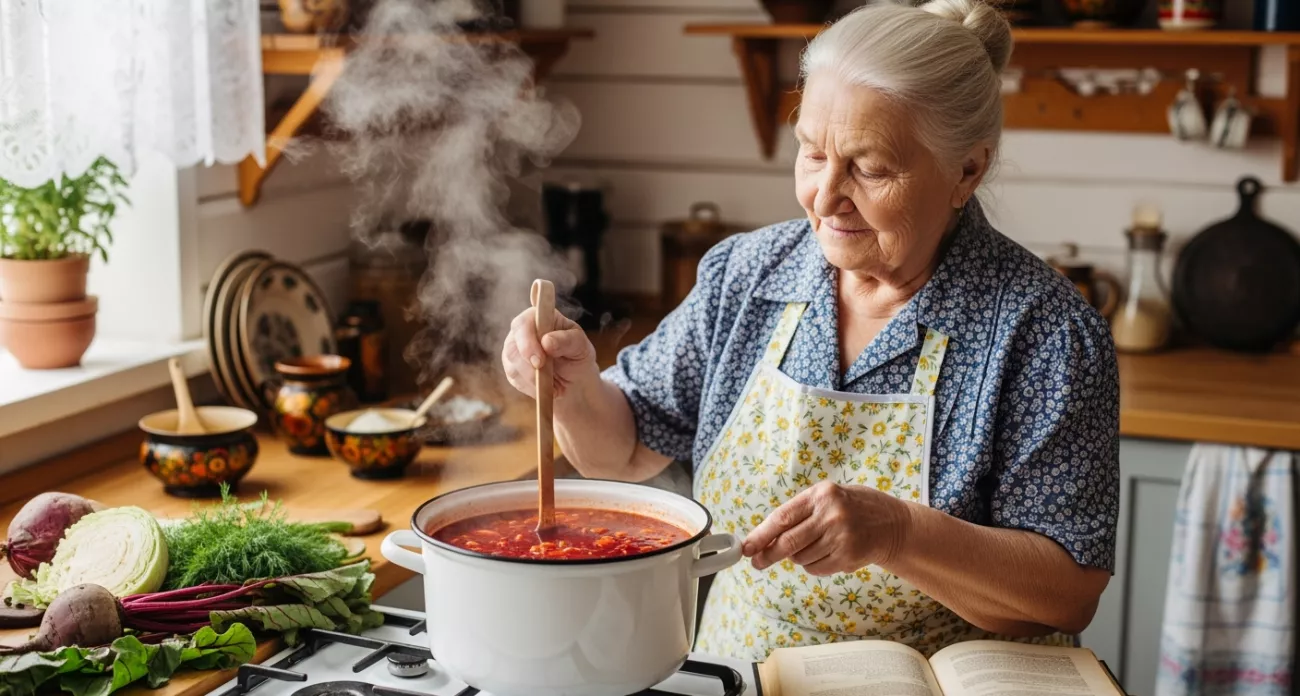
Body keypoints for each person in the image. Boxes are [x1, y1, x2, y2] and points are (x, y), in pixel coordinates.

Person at [501, 0, 1119, 660]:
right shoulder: (747, 276)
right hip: (748, 668)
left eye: (870, 168)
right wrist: (573, 390)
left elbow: (1066, 593)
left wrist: (899, 533)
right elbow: (624, 450)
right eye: (813, 153)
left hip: (946, 676)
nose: (824, 197)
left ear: (967, 169)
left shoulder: (1045, 333)